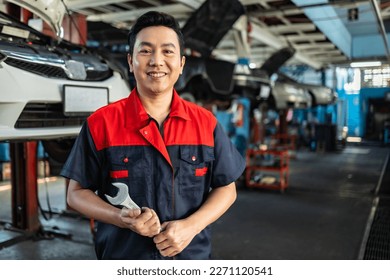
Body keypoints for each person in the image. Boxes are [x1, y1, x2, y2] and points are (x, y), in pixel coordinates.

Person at [61, 11, 246, 260]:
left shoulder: (206, 124)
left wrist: (191, 226)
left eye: (167, 51)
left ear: (181, 64)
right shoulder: (101, 123)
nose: (156, 61)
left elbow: (227, 188)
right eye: (145, 51)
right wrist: (120, 218)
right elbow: (75, 194)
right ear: (130, 61)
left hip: (190, 259)